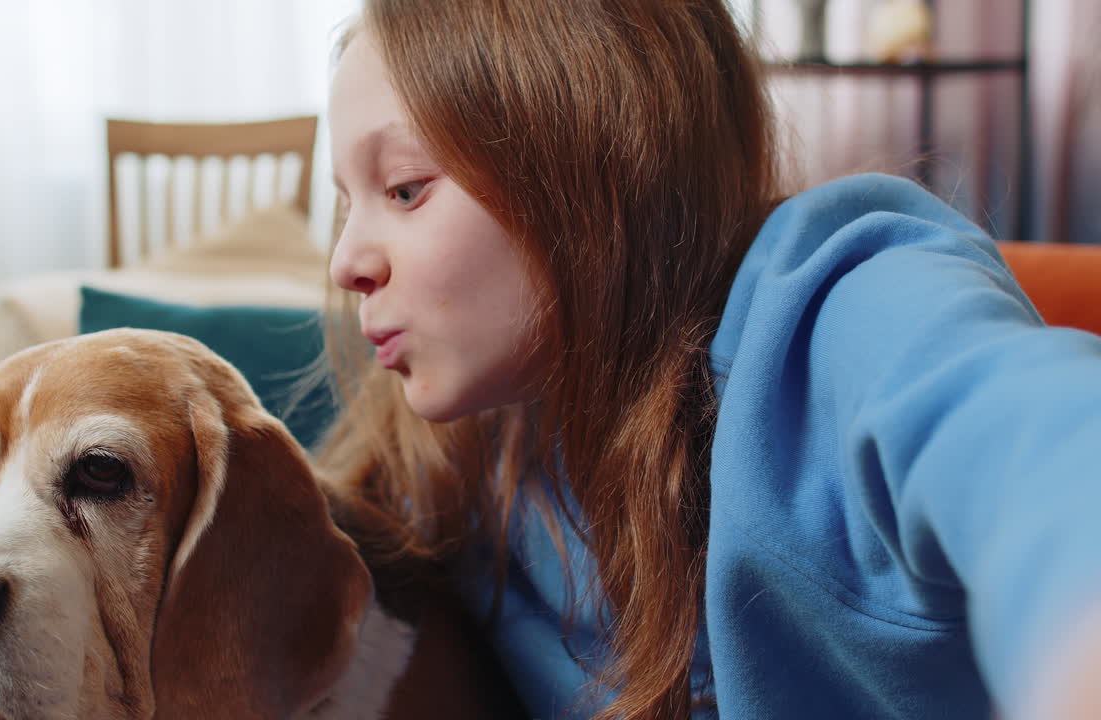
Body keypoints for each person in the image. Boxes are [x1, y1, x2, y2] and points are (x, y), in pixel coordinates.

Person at [317, 1, 1101, 718]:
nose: (345, 261)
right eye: (346, 203)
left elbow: (1043, 450)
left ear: (589, 154)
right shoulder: (463, 454)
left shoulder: (840, 314)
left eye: (406, 189)